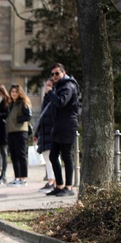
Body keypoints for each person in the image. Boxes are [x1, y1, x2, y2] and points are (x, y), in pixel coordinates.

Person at [45, 63, 79, 197]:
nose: (54, 76)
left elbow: (61, 102)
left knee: (66, 156)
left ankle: (69, 187)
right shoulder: (58, 86)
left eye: (57, 73)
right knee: (53, 155)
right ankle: (59, 185)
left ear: (63, 73)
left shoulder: (68, 86)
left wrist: (50, 92)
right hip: (58, 126)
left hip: (67, 125)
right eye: (52, 74)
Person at [6, 85, 32, 186]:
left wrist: (17, 119)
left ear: (19, 93)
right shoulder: (11, 104)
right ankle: (17, 177)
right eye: (12, 92)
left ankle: (23, 178)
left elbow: (28, 116)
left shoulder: (23, 103)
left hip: (20, 131)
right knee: (13, 155)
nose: (13, 94)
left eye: (15, 92)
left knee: (21, 155)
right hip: (11, 131)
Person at [34, 79, 57, 193]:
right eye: (46, 85)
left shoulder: (53, 99)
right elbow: (42, 118)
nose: (47, 87)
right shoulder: (46, 99)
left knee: (52, 158)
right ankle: (50, 180)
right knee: (47, 159)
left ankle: (54, 181)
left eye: (49, 85)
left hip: (51, 133)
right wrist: (37, 134)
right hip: (44, 133)